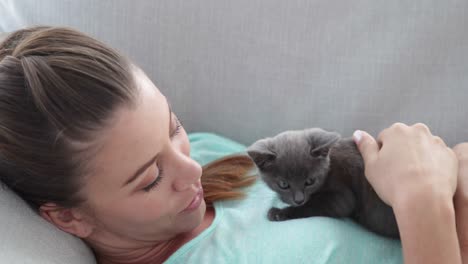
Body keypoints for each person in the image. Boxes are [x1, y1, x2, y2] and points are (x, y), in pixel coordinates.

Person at [0, 26, 465, 264]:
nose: (192, 170)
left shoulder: (203, 154)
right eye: (151, 180)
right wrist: (424, 200)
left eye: (172, 127)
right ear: (69, 217)